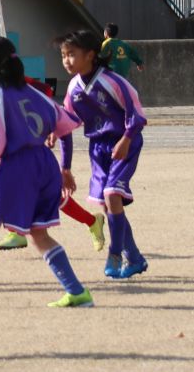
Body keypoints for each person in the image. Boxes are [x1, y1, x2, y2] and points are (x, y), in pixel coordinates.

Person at [0, 36, 94, 309]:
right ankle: (76, 291)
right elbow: (64, 128)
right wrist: (65, 168)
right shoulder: (35, 93)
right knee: (38, 233)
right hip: (45, 164)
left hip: (16, 168)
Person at [58, 29, 149, 280]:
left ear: (91, 55)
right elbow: (66, 126)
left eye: (71, 54)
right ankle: (135, 258)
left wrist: (126, 139)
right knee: (111, 206)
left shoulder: (114, 82)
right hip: (98, 149)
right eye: (63, 55)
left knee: (111, 195)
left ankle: (115, 254)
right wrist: (65, 167)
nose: (66, 60)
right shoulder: (74, 88)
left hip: (124, 142)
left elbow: (138, 116)